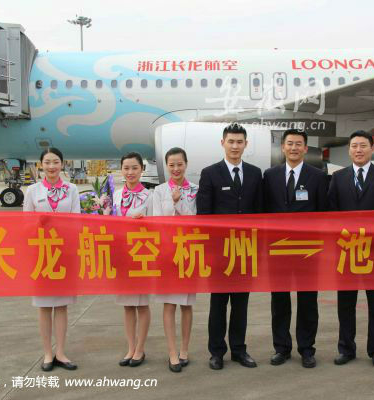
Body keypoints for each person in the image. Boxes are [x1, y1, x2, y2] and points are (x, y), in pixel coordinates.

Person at [197, 123, 263, 370]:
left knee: (241, 305)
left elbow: (260, 213)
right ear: (222, 143)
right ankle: (216, 352)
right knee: (218, 304)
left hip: (245, 250)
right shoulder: (210, 173)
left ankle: (239, 350)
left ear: (246, 144)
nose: (235, 146)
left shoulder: (255, 173)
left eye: (239, 142)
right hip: (220, 253)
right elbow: (204, 215)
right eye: (231, 141)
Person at [327, 130, 374, 368]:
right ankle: (346, 348)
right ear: (349, 150)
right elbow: (332, 213)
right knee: (346, 303)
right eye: (354, 146)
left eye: (363, 146)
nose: (359, 150)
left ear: (372, 149)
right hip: (346, 252)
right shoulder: (338, 177)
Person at [263, 128, 328, 368]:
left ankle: (307, 349)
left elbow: (324, 213)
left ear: (305, 148)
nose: (293, 148)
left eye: (298, 144)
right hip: (278, 249)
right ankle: (281, 348)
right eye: (289, 143)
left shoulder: (318, 176)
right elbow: (264, 211)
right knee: (279, 301)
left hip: (307, 249)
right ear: (282, 147)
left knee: (308, 301)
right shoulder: (270, 175)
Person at [23, 147, 80, 372]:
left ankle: (61, 352)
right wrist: (37, 224)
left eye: (55, 162)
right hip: (42, 255)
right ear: (41, 165)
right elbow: (25, 223)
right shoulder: (32, 190)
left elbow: (77, 220)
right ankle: (48, 353)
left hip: (64, 253)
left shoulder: (72, 189)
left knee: (62, 305)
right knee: (44, 307)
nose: (51, 166)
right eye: (47, 162)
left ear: (62, 164)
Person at [152, 147, 198, 373]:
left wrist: (179, 202)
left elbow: (194, 220)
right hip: (168, 253)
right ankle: (172, 352)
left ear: (186, 164)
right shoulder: (159, 191)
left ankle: (184, 349)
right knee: (169, 304)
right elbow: (157, 221)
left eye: (180, 164)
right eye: (171, 165)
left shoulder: (195, 190)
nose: (176, 169)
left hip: (188, 253)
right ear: (166, 166)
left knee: (186, 305)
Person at [113, 152, 153, 368]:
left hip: (141, 254)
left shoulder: (149, 196)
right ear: (121, 169)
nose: (130, 172)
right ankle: (130, 347)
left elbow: (157, 226)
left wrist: (144, 222)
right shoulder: (117, 194)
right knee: (127, 306)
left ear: (142, 170)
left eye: (134, 168)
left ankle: (140, 348)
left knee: (142, 304)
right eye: (126, 168)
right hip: (121, 255)